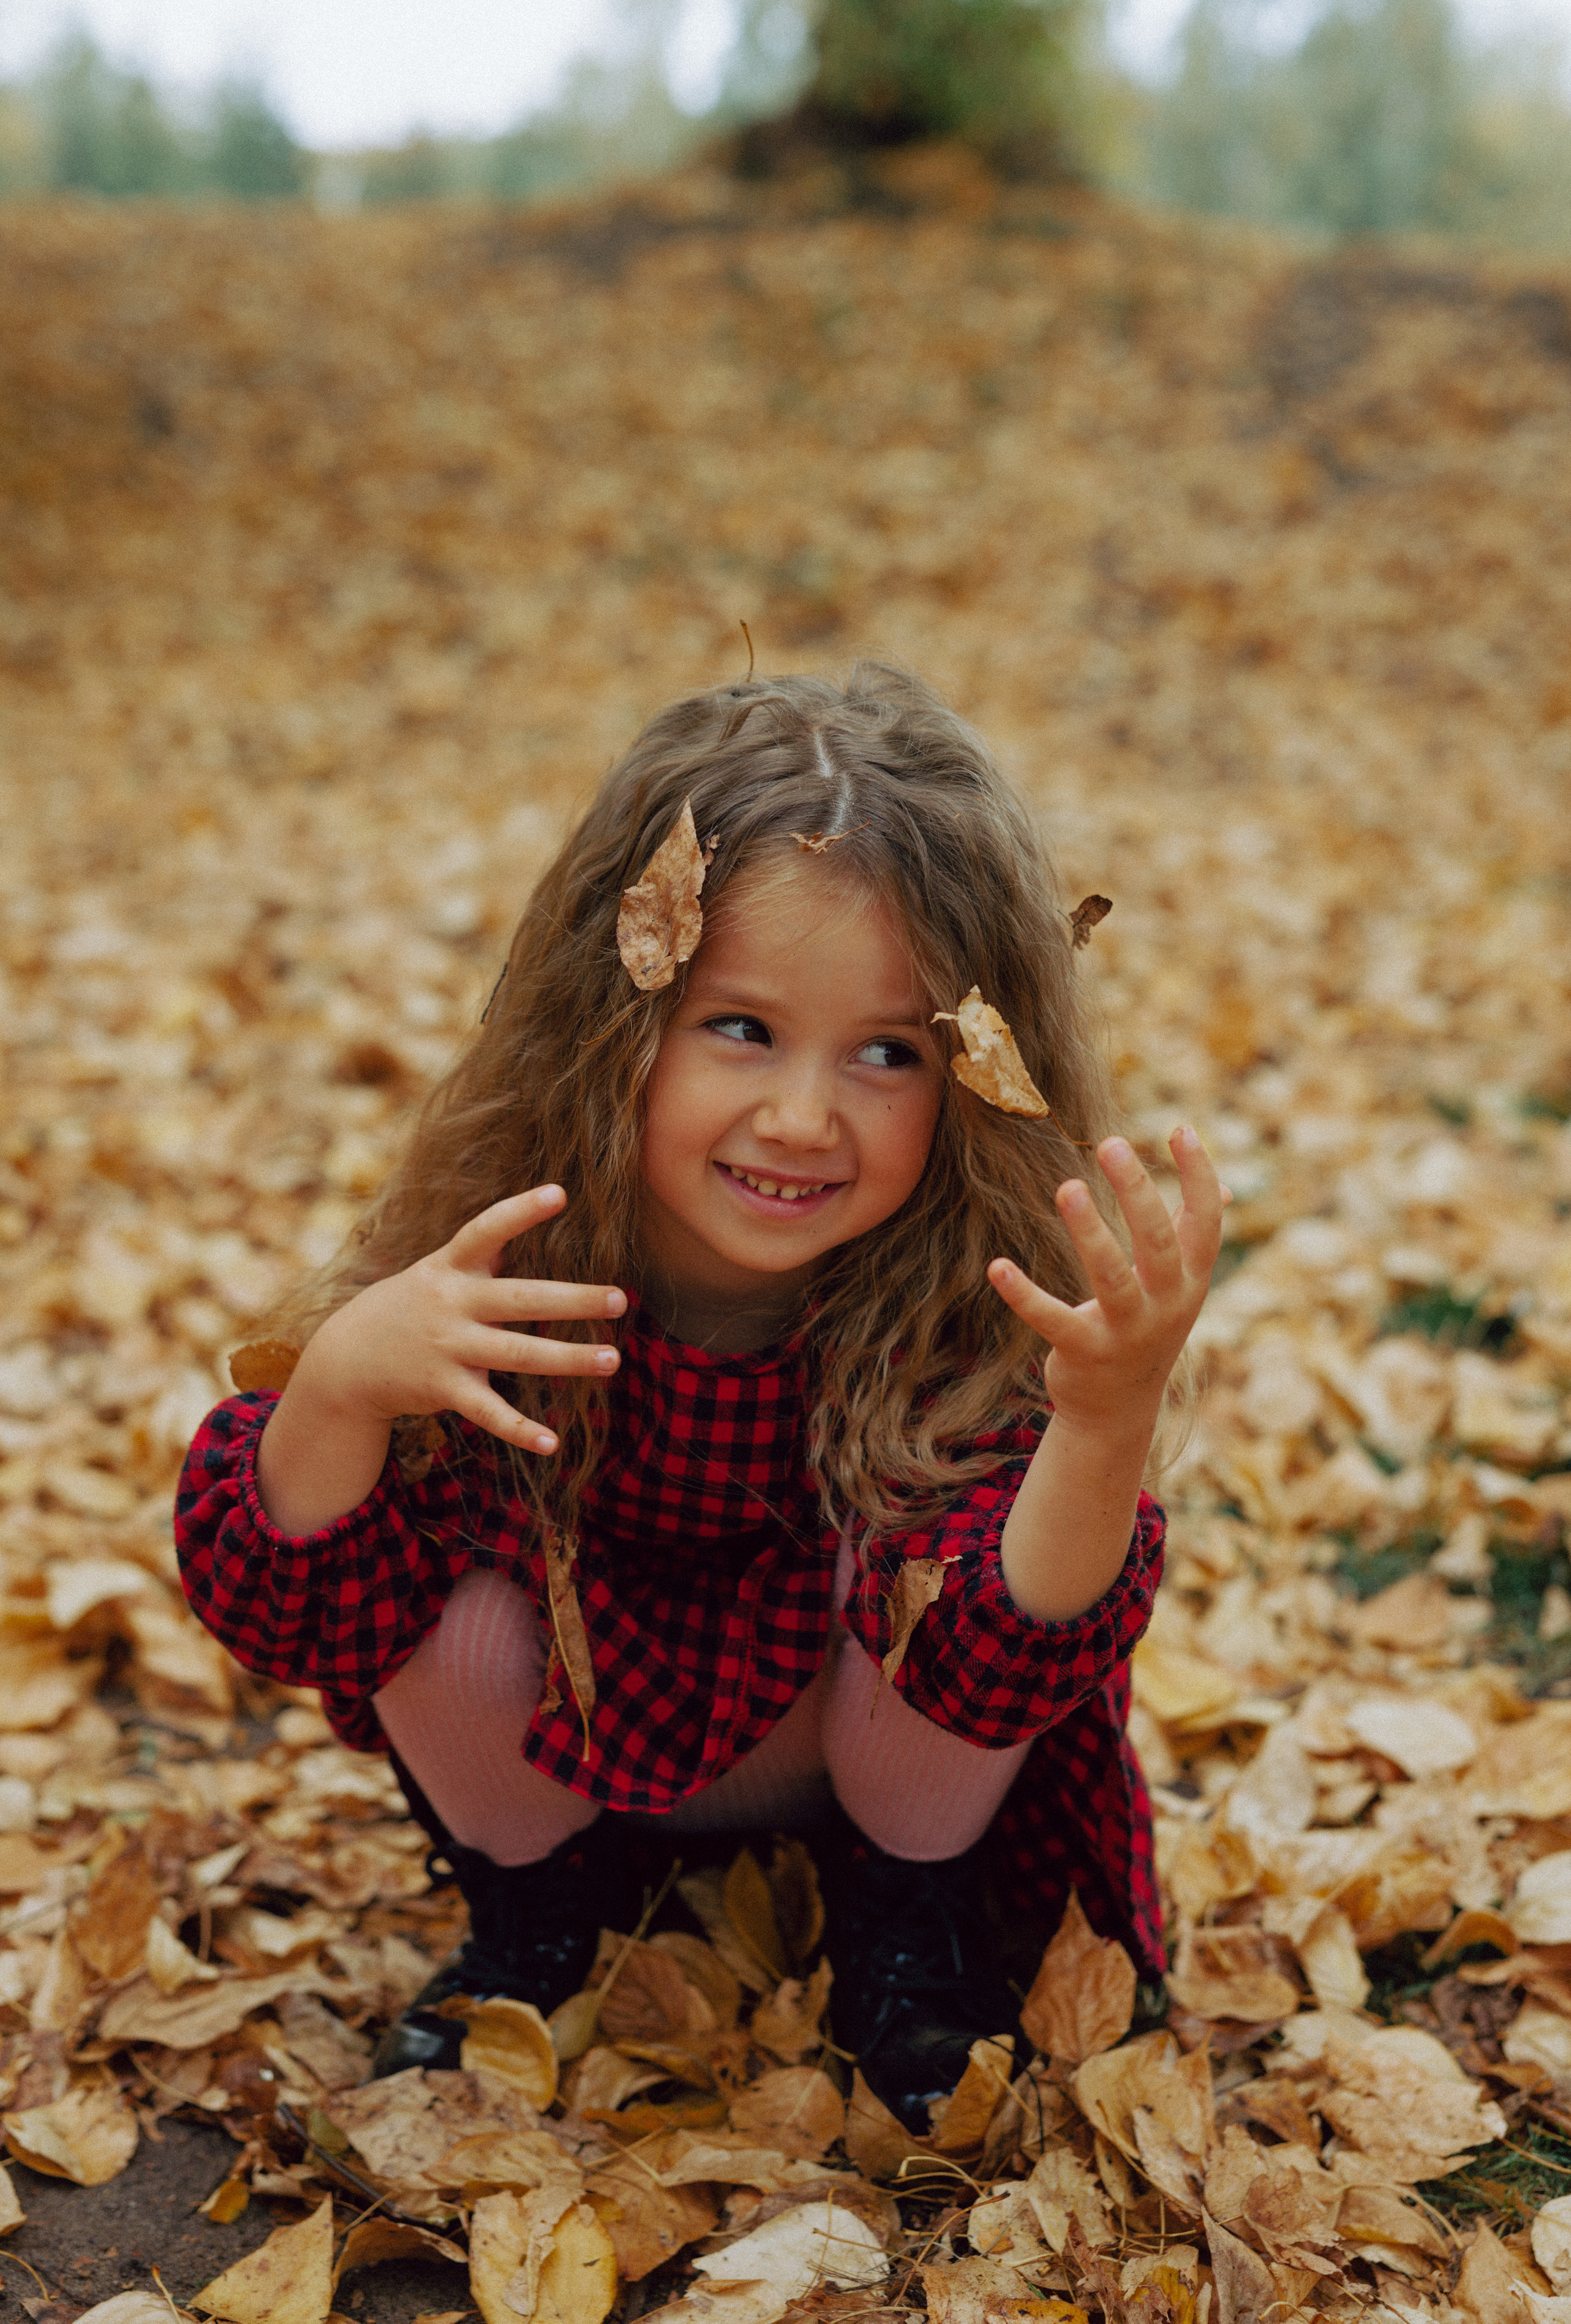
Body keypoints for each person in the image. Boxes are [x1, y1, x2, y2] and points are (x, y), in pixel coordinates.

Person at [176, 662, 1226, 2130]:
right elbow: (288, 1617)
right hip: (567, 1756)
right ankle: (534, 1920)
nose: (802, 1117)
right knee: (449, 1599)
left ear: (976, 1076)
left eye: (886, 1053)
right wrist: (344, 1383)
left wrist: (1104, 1421)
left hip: (868, 1767)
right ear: (618, 1015)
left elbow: (1012, 1660)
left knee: (939, 1564)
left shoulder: (961, 1300)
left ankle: (900, 1933)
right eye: (740, 1027)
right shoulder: (508, 1250)